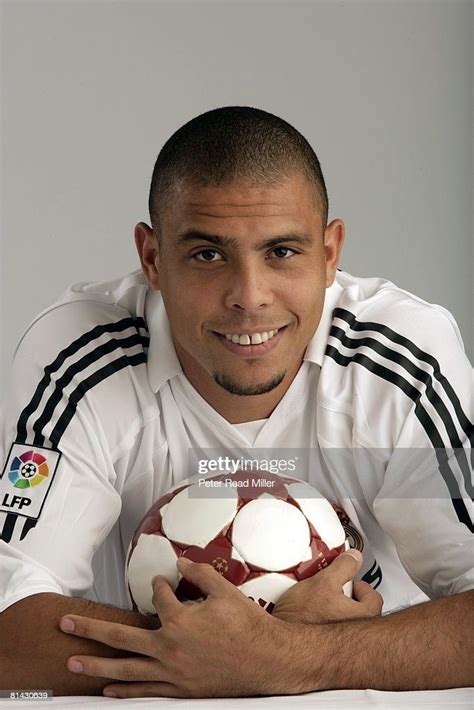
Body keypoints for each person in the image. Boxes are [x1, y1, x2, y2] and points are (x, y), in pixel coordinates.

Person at [0, 106, 472, 698]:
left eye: (282, 253)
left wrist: (297, 657)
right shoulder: (81, 361)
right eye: (207, 255)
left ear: (330, 254)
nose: (249, 297)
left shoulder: (399, 363)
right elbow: (7, 626)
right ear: (151, 258)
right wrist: (231, 656)